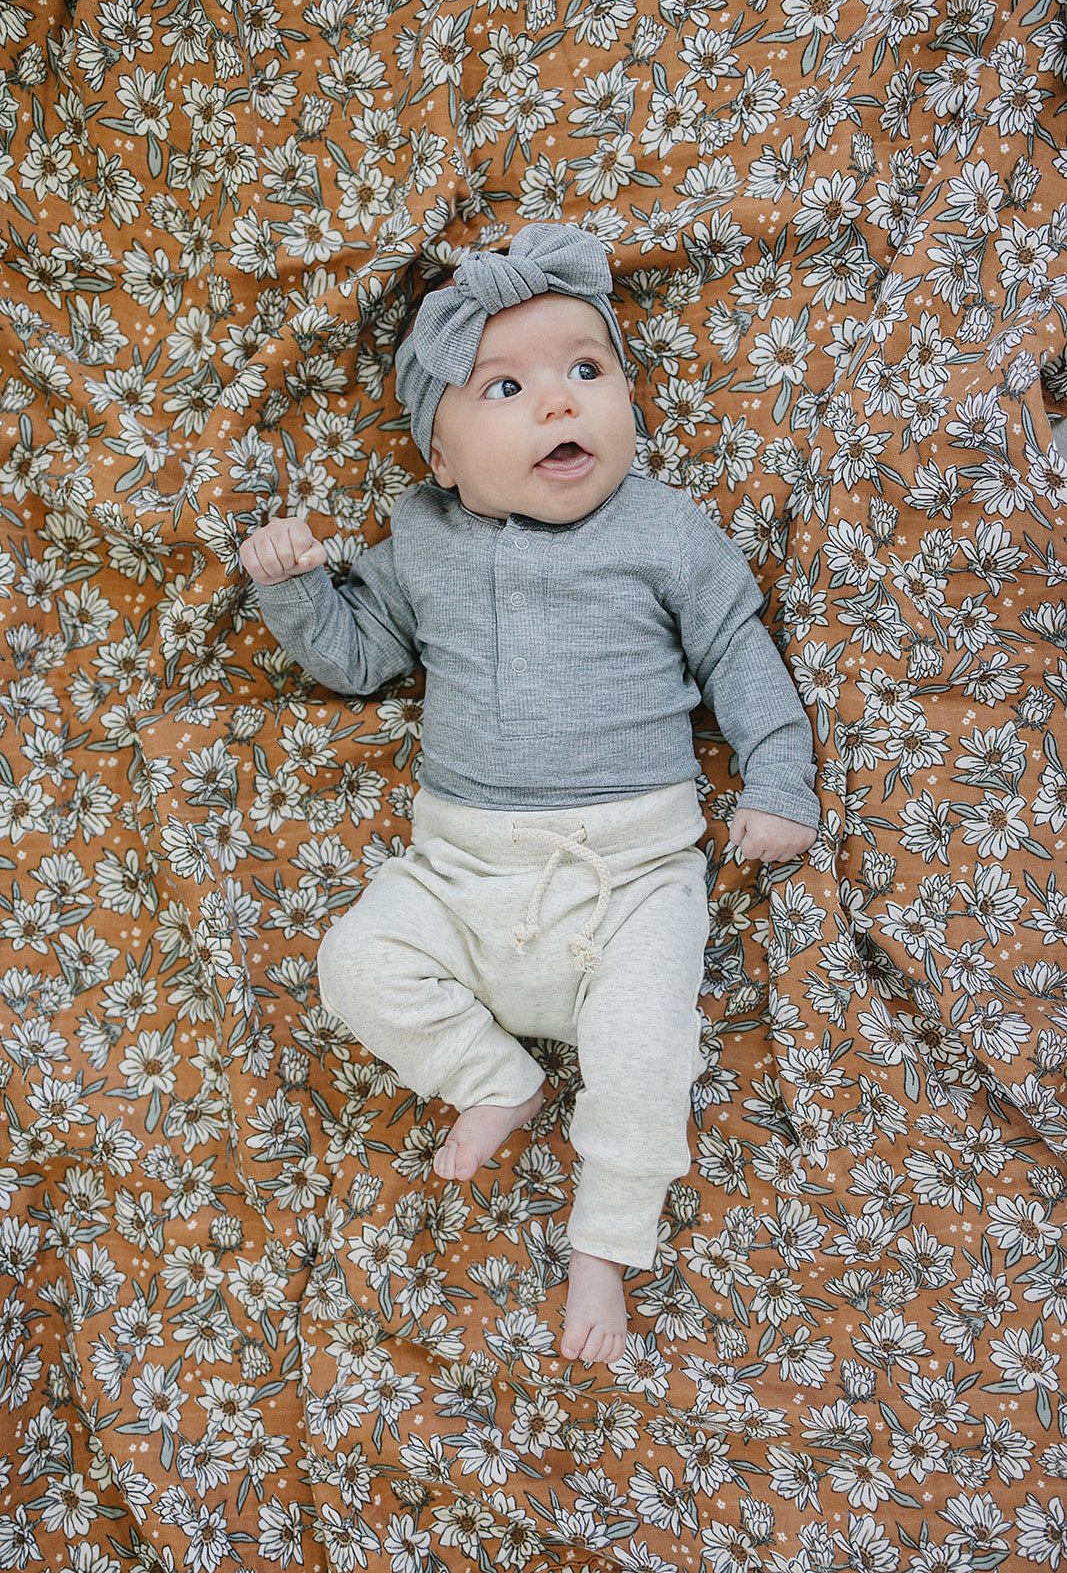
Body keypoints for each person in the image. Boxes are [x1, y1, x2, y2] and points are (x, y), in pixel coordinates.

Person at [241, 224, 820, 1365]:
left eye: (585, 372)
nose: (560, 405)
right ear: (442, 459)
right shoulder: (424, 538)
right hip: (460, 873)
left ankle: (602, 1243)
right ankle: (492, 1077)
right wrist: (299, 590)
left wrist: (780, 778)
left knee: (646, 1052)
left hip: (630, 877)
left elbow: (740, 653)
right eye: (505, 387)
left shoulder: (662, 530)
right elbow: (360, 659)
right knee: (352, 962)